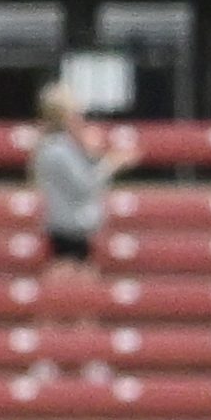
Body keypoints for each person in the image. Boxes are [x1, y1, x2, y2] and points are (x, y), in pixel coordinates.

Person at [30, 82, 134, 301]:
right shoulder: (56, 149)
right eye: (74, 112)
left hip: (72, 220)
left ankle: (79, 323)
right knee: (67, 273)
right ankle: (58, 322)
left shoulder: (59, 146)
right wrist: (111, 162)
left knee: (82, 272)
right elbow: (85, 185)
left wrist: (91, 152)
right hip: (68, 223)